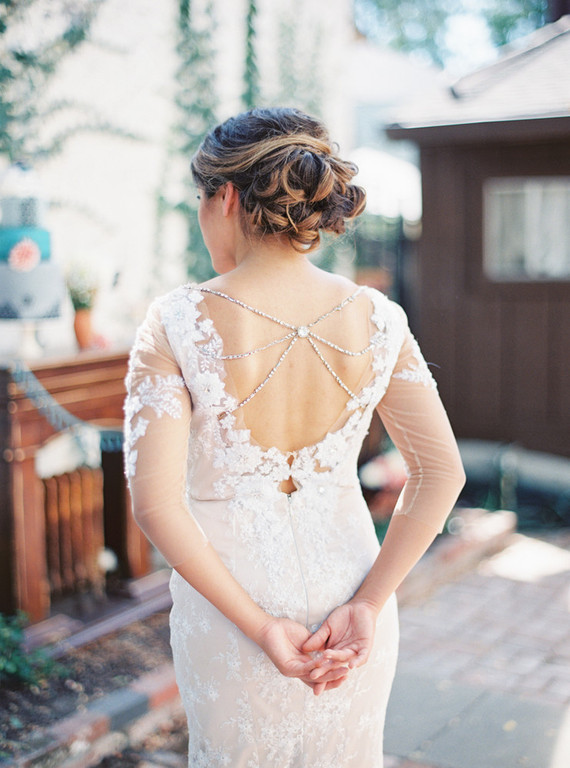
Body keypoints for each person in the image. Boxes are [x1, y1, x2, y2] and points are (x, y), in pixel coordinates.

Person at [124, 106, 466, 768]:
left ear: (224, 196)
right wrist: (370, 603)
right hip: (353, 609)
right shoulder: (379, 318)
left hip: (232, 614)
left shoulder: (175, 321)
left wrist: (261, 628)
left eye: (201, 201)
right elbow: (441, 473)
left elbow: (156, 506)